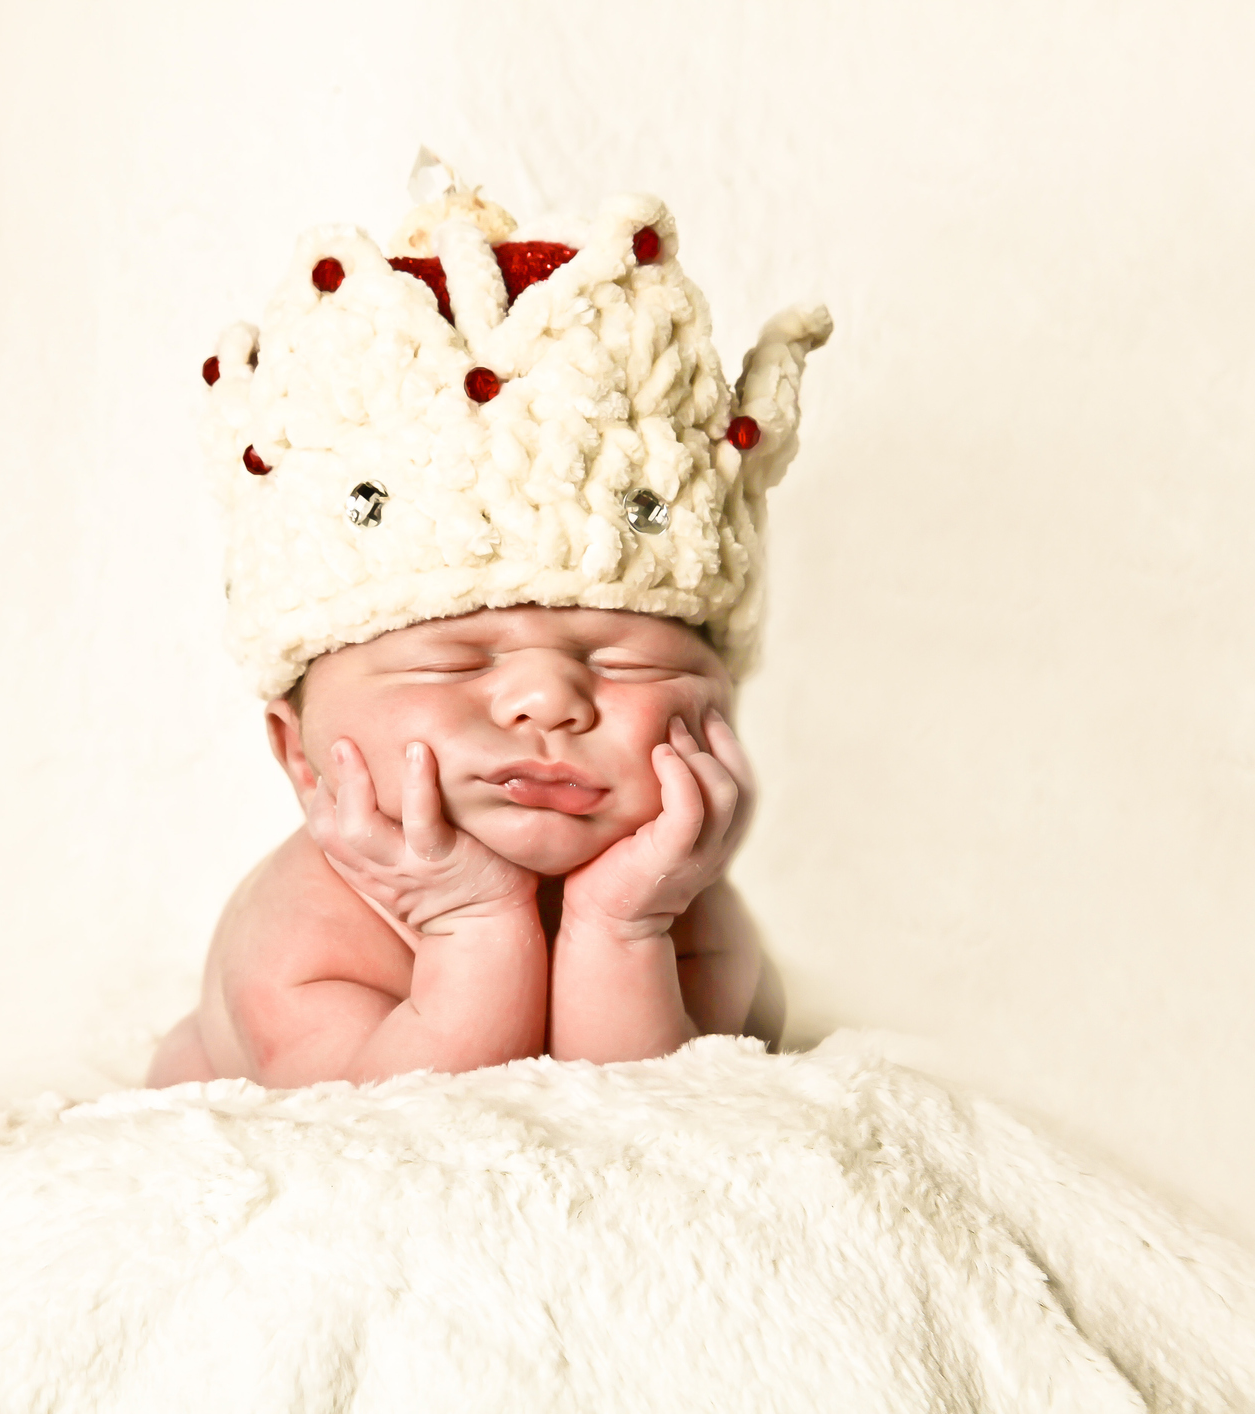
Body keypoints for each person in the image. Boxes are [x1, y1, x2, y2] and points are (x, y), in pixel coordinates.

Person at [148, 165, 830, 1088]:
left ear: (722, 713)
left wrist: (621, 927)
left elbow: (657, 1129)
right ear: (298, 753)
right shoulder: (303, 931)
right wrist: (474, 925)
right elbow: (397, 1137)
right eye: (452, 661)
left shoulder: (688, 915)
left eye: (619, 659)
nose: (548, 698)